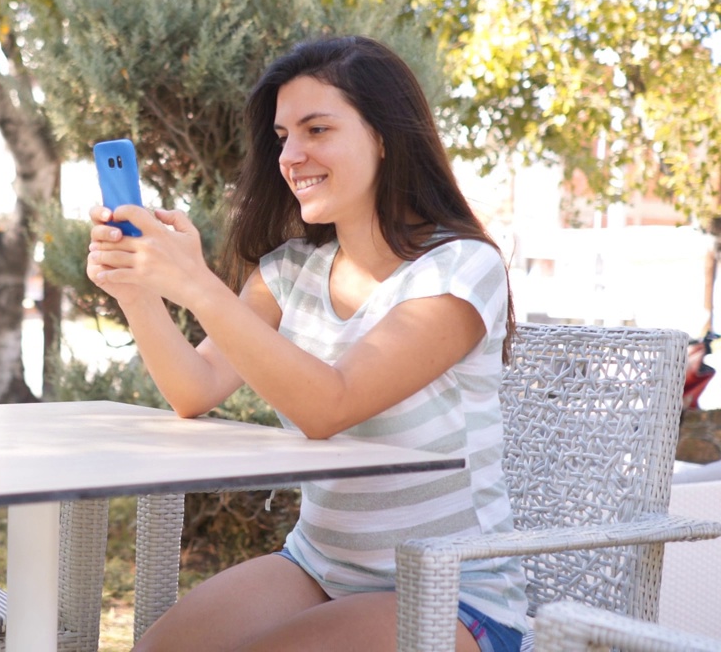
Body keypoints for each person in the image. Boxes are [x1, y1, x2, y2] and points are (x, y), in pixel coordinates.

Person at [86, 35, 528, 652]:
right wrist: (138, 289)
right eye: (283, 136)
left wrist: (196, 283)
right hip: (319, 568)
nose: (291, 155)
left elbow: (330, 404)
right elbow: (195, 388)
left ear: (384, 136)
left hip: (452, 595)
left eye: (317, 129)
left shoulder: (457, 270)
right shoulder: (292, 270)